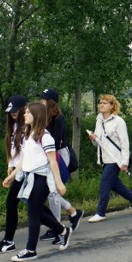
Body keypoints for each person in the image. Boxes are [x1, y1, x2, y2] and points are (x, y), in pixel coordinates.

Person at [3, 103, 72, 261]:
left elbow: (53, 161)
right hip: (29, 177)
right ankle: (62, 231)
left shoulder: (45, 136)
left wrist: (59, 184)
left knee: (33, 212)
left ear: (36, 115)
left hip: (42, 178)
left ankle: (30, 250)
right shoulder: (28, 133)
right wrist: (12, 175)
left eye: (27, 112)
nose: (24, 115)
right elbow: (24, 159)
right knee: (39, 212)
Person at [37, 89, 84, 241]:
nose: (40, 101)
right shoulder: (43, 117)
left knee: (53, 192)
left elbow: (56, 143)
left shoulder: (58, 119)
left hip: (58, 156)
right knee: (52, 192)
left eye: (43, 99)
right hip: (47, 155)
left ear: (50, 101)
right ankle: (72, 213)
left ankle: (57, 227)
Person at [87, 94, 132, 222]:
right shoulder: (98, 120)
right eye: (100, 102)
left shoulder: (118, 121)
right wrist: (93, 139)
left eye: (105, 103)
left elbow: (124, 143)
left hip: (115, 159)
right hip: (104, 159)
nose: (101, 105)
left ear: (112, 106)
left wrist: (125, 161)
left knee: (104, 185)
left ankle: (100, 212)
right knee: (115, 184)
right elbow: (98, 142)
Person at [0, 95, 27, 254]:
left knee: (11, 202)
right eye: (10, 111)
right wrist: (9, 165)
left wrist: (13, 174)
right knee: (34, 206)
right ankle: (61, 230)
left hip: (26, 170)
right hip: (16, 169)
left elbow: (26, 156)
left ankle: (8, 241)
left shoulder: (27, 127)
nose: (12, 113)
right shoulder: (13, 126)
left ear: (23, 109)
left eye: (15, 110)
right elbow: (12, 147)